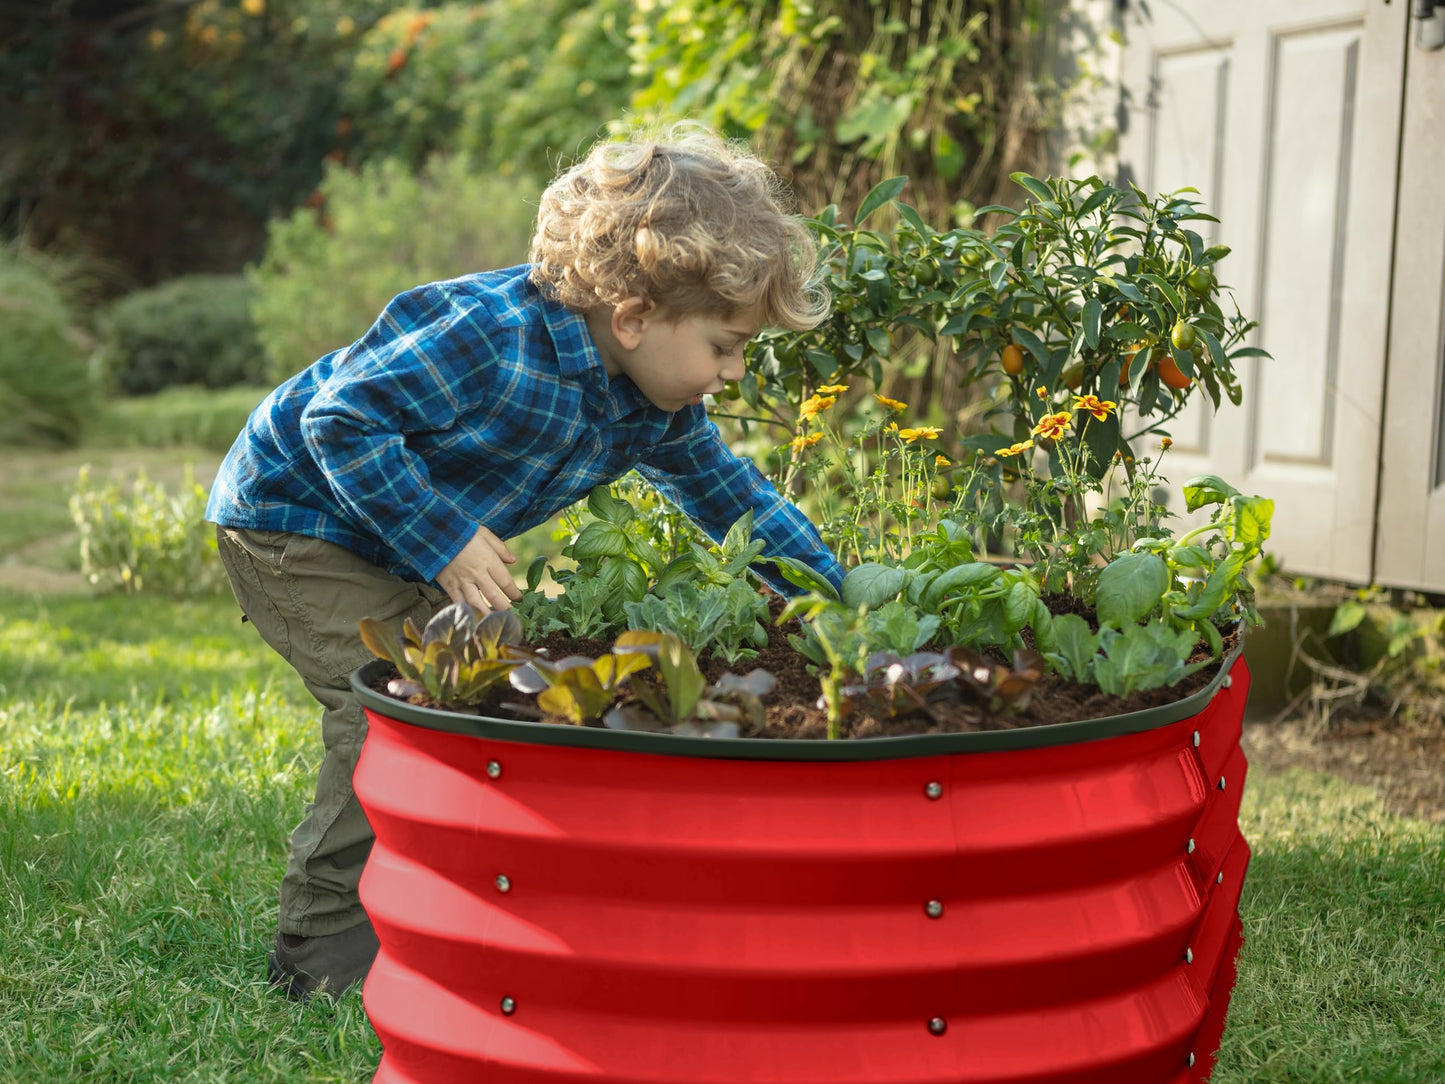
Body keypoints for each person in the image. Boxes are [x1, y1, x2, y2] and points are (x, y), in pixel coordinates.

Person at [206, 122, 846, 999]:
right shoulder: (487, 336)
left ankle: (455, 900)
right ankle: (316, 962)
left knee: (488, 668)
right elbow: (340, 424)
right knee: (395, 703)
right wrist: (442, 538)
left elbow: (733, 501)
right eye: (724, 347)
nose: (731, 374)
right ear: (633, 318)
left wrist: (835, 596)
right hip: (293, 516)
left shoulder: (652, 406)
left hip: (390, 523)